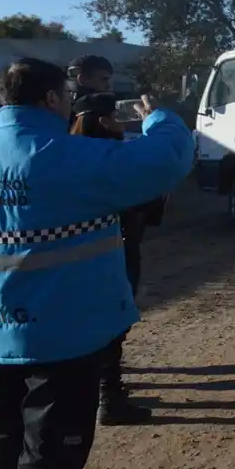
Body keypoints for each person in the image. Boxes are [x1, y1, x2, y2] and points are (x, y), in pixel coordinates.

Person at [0, 58, 194, 469]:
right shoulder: (71, 157)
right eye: (67, 96)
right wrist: (158, 116)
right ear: (51, 98)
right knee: (51, 452)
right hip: (65, 333)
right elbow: (168, 158)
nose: (70, 104)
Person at [69, 92, 167, 425]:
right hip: (116, 253)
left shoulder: (62, 156)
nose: (120, 124)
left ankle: (94, 394)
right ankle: (108, 399)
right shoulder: (116, 159)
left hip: (70, 259)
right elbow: (154, 191)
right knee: (111, 327)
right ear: (104, 121)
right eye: (114, 117)